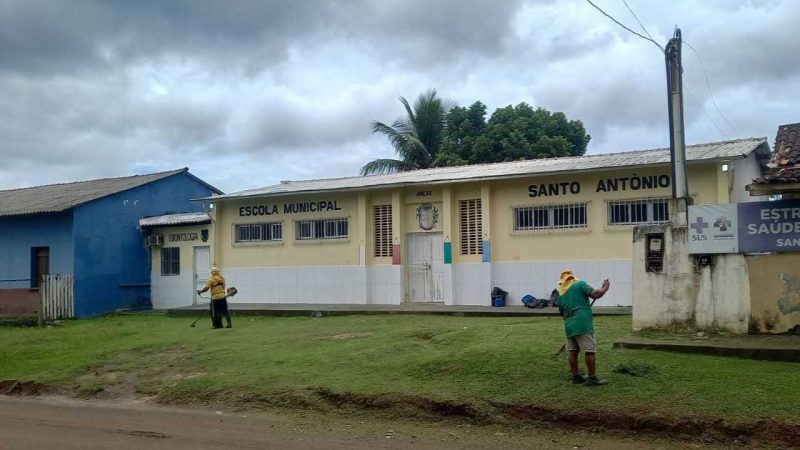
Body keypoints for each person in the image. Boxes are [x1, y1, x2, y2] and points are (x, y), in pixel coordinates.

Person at [558, 270, 609, 386]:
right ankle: (592, 378)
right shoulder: (579, 284)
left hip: (569, 324)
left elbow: (561, 312)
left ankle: (575, 376)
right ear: (573, 277)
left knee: (572, 351)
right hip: (582, 323)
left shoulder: (561, 294)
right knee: (590, 351)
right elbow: (596, 294)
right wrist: (605, 287)